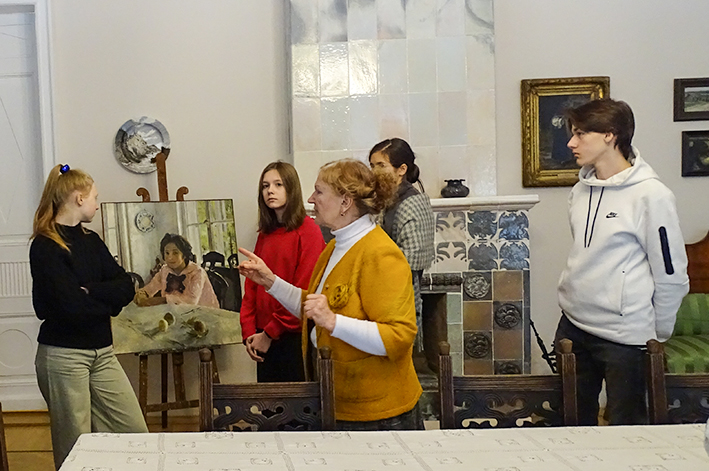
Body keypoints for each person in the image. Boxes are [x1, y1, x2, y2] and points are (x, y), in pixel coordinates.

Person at [239, 159, 423, 430]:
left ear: (345, 202)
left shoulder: (380, 254)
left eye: (319, 191)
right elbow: (312, 307)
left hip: (379, 414)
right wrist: (270, 281)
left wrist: (334, 322)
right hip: (338, 400)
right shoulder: (335, 247)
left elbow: (399, 336)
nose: (311, 199)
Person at [555, 99, 689, 425]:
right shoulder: (579, 191)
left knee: (626, 429)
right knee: (569, 425)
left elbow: (671, 272)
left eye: (581, 134)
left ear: (610, 135)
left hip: (624, 338)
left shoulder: (651, 195)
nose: (571, 143)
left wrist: (656, 332)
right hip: (573, 327)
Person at [30, 164, 148, 469]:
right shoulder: (45, 246)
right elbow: (70, 309)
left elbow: (126, 285)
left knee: (135, 434)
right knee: (75, 447)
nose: (97, 203)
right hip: (64, 357)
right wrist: (107, 300)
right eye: (95, 196)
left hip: (103, 353)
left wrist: (91, 290)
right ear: (78, 198)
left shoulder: (91, 241)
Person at [239, 161, 325, 382]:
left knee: (293, 401)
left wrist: (270, 333)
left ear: (291, 188)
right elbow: (252, 286)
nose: (270, 191)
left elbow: (304, 291)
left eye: (278, 184)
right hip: (261, 335)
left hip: (291, 336)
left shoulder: (309, 231)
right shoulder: (265, 233)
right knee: (268, 401)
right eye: (265, 185)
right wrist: (249, 332)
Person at [368, 138, 435, 350]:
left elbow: (411, 259)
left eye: (381, 165)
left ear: (401, 170)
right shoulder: (386, 199)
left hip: (402, 295)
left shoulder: (412, 202)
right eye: (372, 166)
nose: (374, 172)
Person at [134, 233, 219, 308]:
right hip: (175, 312)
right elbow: (150, 288)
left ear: (184, 255)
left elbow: (190, 302)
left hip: (203, 313)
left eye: (175, 253)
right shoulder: (164, 270)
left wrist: (161, 300)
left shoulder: (197, 272)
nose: (170, 258)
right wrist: (142, 293)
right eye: (167, 253)